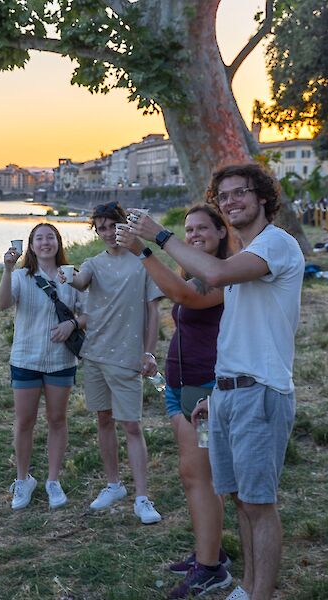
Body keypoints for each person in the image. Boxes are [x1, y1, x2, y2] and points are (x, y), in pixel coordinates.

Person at [127, 163, 304, 600]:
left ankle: (259, 594)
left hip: (261, 392)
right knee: (243, 503)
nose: (231, 202)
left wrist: (159, 236)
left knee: (260, 506)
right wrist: (217, 392)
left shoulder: (275, 245)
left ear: (262, 196)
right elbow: (232, 329)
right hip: (229, 393)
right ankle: (245, 587)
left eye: (240, 193)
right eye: (223, 197)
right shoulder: (246, 253)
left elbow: (214, 277)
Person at [117, 206, 234, 598]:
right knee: (195, 476)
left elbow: (183, 296)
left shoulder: (226, 273)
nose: (195, 234)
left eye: (203, 228)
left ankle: (211, 568)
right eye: (189, 229)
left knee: (199, 475)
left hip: (203, 389)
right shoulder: (196, 270)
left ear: (221, 231)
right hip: (178, 388)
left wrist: (145, 249)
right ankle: (210, 551)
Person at [65, 202, 164, 523]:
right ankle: (113, 484)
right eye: (102, 228)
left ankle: (143, 497)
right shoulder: (93, 262)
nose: (108, 233)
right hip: (94, 355)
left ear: (126, 225)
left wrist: (150, 352)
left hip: (127, 357)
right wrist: (65, 273)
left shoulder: (143, 261)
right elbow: (80, 283)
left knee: (132, 426)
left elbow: (153, 312)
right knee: (103, 421)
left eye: (113, 226)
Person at [0, 223, 85, 511]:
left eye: (50, 238)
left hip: (61, 361)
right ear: (31, 246)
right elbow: (2, 303)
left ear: (58, 243)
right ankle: (23, 479)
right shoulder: (21, 276)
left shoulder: (71, 275)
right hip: (25, 359)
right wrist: (7, 269)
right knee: (24, 421)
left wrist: (71, 324)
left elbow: (90, 313)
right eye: (39, 239)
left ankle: (53, 480)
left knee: (57, 419)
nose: (45, 243)